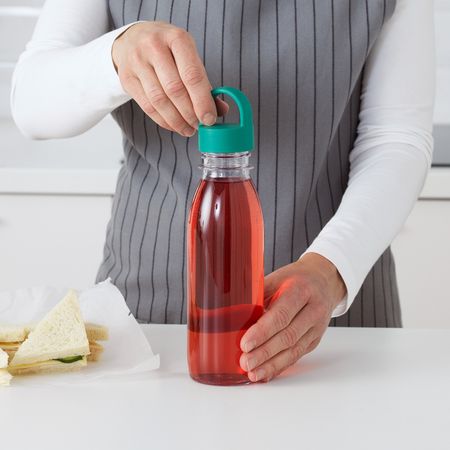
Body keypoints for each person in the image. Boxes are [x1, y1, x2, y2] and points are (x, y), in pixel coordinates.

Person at [11, 0, 434, 383]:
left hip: (336, 332)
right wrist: (116, 55)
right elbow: (31, 103)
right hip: (145, 329)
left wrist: (331, 269)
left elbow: (396, 139)